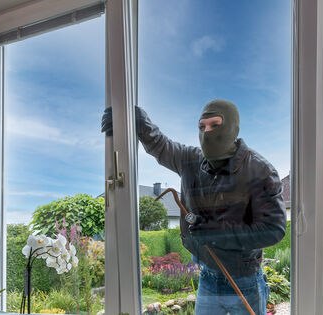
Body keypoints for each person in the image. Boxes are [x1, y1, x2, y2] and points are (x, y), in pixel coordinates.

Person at [101, 99, 287, 315]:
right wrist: (136, 119)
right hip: (208, 276)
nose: (207, 132)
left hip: (244, 280)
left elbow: (274, 229)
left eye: (215, 125)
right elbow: (161, 145)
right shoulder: (191, 160)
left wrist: (216, 232)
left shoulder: (260, 170)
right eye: (201, 126)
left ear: (233, 129)